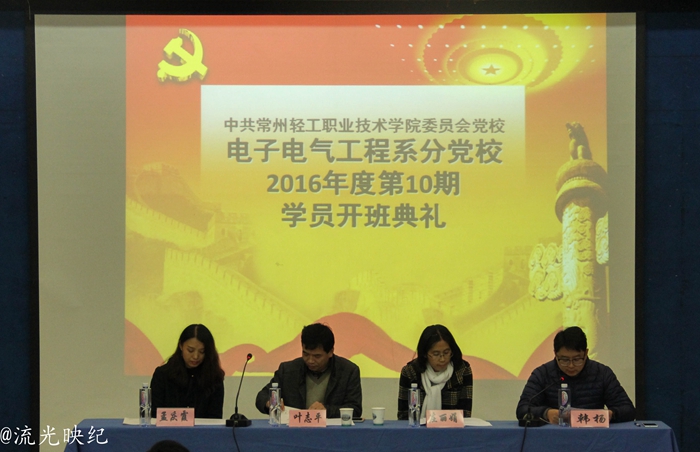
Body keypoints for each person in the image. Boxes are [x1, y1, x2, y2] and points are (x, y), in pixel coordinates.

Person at [516, 326, 635, 424]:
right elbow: (522, 409)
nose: (571, 365)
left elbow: (628, 410)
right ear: (555, 354)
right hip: (553, 437)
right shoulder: (543, 374)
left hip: (593, 437)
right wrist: (546, 413)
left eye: (577, 359)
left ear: (586, 353)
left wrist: (611, 414)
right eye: (564, 360)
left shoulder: (602, 373)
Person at [254, 323, 362, 418]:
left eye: (317, 356)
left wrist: (326, 411)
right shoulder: (288, 370)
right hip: (294, 431)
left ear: (330, 352)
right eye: (305, 354)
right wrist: (270, 402)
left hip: (331, 432)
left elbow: (355, 410)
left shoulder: (348, 371)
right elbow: (262, 397)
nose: (310, 360)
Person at [397, 324, 473, 420]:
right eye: (436, 354)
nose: (442, 359)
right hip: (417, 428)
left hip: (453, 429)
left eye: (446, 353)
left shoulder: (462, 370)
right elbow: (403, 416)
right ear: (425, 354)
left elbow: (465, 416)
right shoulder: (410, 372)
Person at [150, 324, 225, 419]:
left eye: (202, 351)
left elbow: (215, 418)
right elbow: (155, 415)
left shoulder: (214, 378)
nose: (196, 356)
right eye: (190, 350)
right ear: (181, 346)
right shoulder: (163, 375)